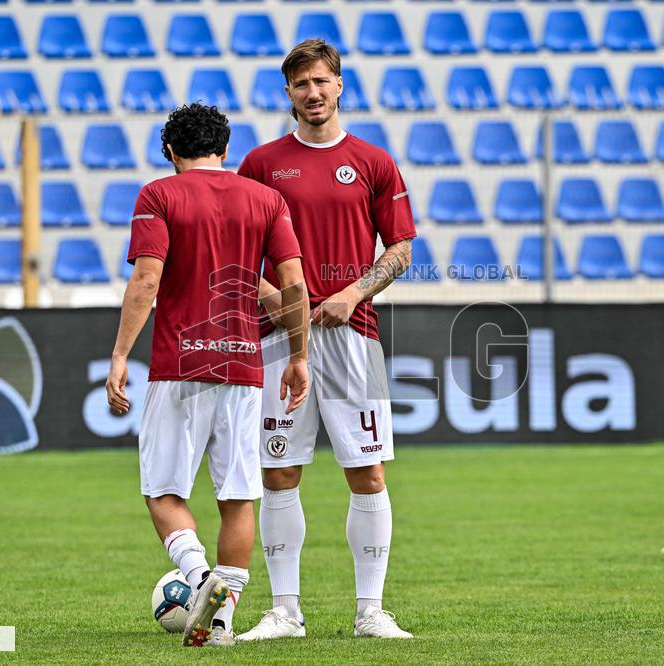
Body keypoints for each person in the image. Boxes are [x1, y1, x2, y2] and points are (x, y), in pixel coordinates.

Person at [105, 103, 310, 648]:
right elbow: (293, 286)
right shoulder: (266, 198)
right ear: (227, 148)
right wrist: (298, 356)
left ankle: (198, 580)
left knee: (163, 492)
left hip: (180, 363)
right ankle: (220, 621)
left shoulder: (160, 195)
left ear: (170, 151)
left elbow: (147, 281)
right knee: (238, 497)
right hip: (243, 367)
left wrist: (121, 354)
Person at [235, 39, 416, 640]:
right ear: (287, 93)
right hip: (277, 341)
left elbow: (401, 250)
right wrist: (278, 300)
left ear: (340, 85)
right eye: (300, 84)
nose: (312, 93)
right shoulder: (260, 165)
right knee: (278, 473)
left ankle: (371, 611)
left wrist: (353, 293)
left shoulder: (373, 162)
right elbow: (241, 255)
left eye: (321, 82)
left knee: (367, 473)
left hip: (352, 337)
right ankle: (285, 611)